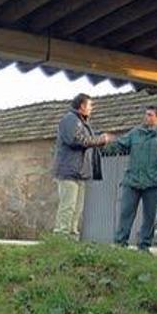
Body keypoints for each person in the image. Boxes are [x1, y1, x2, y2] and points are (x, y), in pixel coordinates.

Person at [111, 105, 157, 252]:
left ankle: (144, 245)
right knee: (126, 212)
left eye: (150, 115)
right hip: (132, 180)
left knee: (149, 216)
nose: (146, 117)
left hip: (153, 183)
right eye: (146, 114)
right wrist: (103, 144)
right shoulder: (136, 133)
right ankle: (120, 242)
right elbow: (120, 145)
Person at [52, 93, 113, 239]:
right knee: (68, 206)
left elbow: (85, 138)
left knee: (77, 208)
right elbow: (75, 140)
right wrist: (99, 140)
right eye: (90, 105)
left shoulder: (81, 122)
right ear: (82, 106)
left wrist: (100, 139)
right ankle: (61, 236)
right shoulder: (70, 119)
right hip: (69, 171)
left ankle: (72, 236)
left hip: (79, 172)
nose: (91, 108)